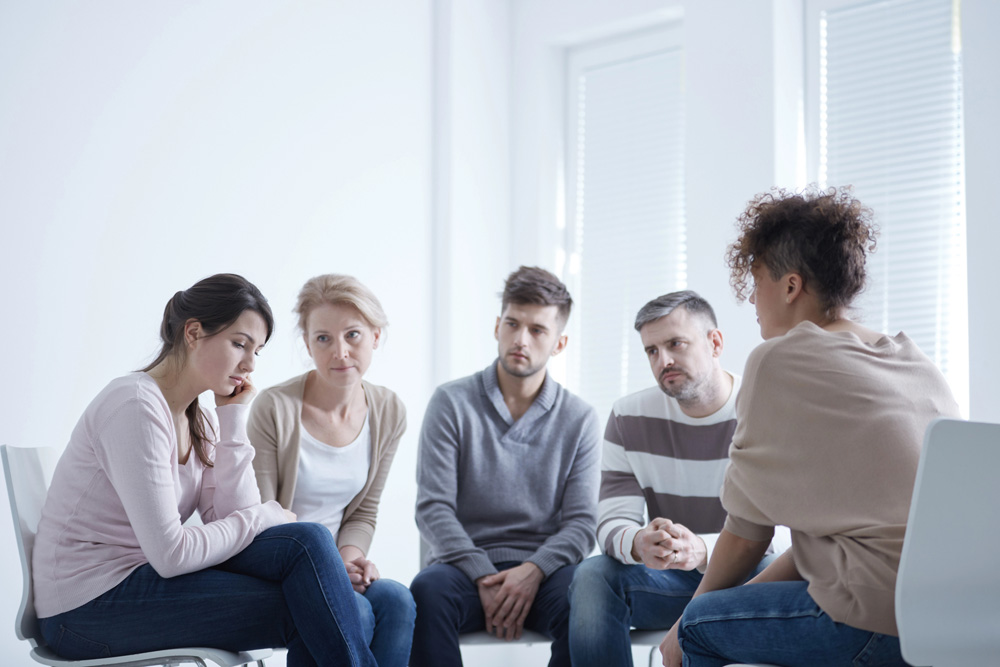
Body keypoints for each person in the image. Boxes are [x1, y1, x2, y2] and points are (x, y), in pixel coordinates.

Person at [660, 188, 960, 666]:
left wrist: (686, 624)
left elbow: (746, 536)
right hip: (957, 618)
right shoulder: (912, 360)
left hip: (876, 624)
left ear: (791, 286)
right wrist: (725, 608)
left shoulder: (780, 360)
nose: (753, 303)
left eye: (756, 283)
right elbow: (827, 550)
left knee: (697, 628)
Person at [32, 273, 376, 666]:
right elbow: (172, 554)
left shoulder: (200, 419)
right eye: (239, 344)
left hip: (142, 581)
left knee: (320, 560)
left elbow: (231, 521)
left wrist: (232, 417)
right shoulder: (135, 406)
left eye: (256, 352)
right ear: (194, 332)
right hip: (86, 610)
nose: (249, 364)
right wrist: (266, 514)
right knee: (314, 593)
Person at [410, 266, 601, 667]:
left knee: (586, 596)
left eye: (537, 330)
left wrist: (532, 571)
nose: (520, 339)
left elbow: (582, 523)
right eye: (512, 324)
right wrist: (482, 573)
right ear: (497, 325)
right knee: (427, 592)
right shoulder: (451, 402)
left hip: (545, 574)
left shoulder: (580, 418)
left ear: (559, 343)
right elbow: (433, 508)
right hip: (462, 569)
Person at [568, 290, 772, 667]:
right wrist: (640, 542)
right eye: (652, 351)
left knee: (774, 566)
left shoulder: (765, 407)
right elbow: (613, 520)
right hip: (668, 578)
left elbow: (793, 530)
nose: (664, 361)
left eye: (675, 344)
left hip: (748, 573)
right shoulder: (629, 416)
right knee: (594, 576)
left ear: (715, 343)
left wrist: (704, 550)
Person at [248, 274, 415, 667]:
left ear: (376, 335)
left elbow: (363, 511)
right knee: (354, 613)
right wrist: (332, 569)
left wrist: (351, 561)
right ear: (307, 343)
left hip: (338, 566)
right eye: (323, 338)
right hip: (283, 568)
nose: (340, 351)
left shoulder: (389, 412)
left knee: (396, 598)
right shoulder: (274, 408)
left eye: (353, 335)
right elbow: (263, 518)